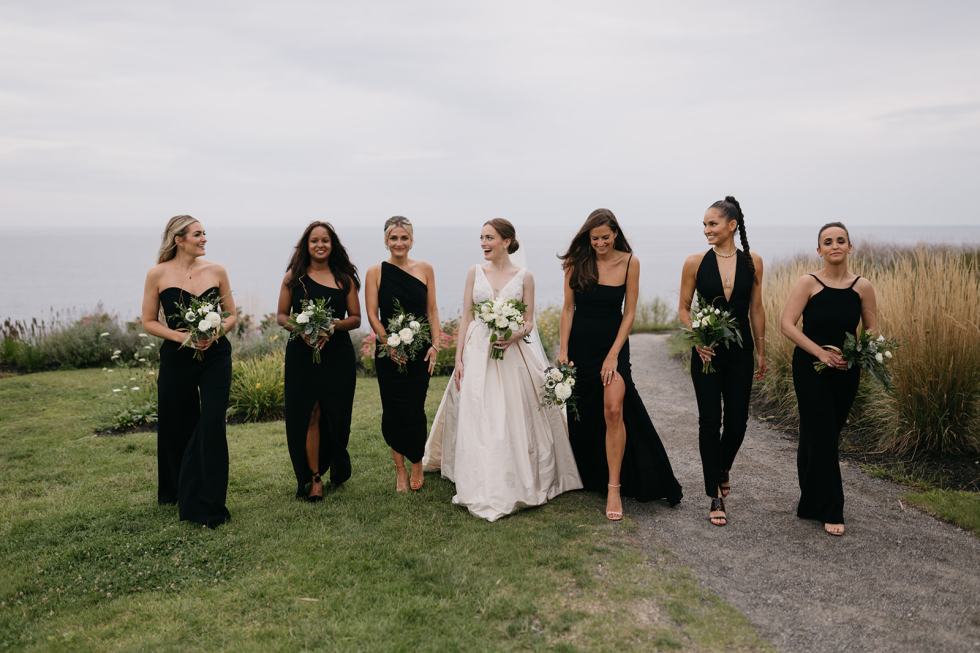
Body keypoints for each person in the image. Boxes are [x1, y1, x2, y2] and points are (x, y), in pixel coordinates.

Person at [423, 219, 582, 521]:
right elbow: (467, 316)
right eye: (482, 237)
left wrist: (512, 336)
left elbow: (529, 322)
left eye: (490, 238)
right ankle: (476, 472)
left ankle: (512, 472)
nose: (483, 243)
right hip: (477, 351)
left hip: (511, 353)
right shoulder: (474, 272)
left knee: (510, 412)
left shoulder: (525, 277)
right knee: (478, 409)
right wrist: (458, 358)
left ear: (507, 241)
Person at [559, 209, 682, 520]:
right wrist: (562, 350)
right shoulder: (576, 262)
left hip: (613, 346)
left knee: (614, 409)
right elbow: (568, 309)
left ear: (615, 233)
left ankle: (614, 487)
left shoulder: (630, 262)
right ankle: (589, 476)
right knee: (586, 410)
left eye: (605, 237)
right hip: (580, 347)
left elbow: (629, 313)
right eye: (594, 238)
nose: (600, 243)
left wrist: (614, 354)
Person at [780, 222, 877, 536]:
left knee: (820, 434)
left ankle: (809, 502)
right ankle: (833, 508)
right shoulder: (808, 283)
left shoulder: (862, 287)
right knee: (822, 433)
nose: (835, 245)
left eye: (840, 240)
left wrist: (858, 353)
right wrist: (820, 353)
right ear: (819, 250)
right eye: (828, 241)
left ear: (850, 247)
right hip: (810, 367)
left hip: (846, 371)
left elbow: (872, 329)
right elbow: (787, 324)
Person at [141, 215, 236, 528]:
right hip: (177, 355)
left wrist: (214, 334)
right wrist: (181, 337)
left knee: (211, 422)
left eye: (204, 233)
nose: (204, 238)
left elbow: (231, 315)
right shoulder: (157, 274)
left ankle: (207, 499)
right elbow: (148, 321)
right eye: (198, 234)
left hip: (215, 355)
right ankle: (175, 489)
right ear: (178, 240)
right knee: (176, 421)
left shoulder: (217, 271)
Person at [678, 196, 766, 527]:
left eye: (712, 224)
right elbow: (683, 309)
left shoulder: (753, 262)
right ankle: (714, 492)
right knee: (709, 420)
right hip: (707, 353)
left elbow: (756, 308)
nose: (706, 230)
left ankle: (723, 466)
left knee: (738, 421)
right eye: (704, 224)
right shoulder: (694, 262)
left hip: (741, 351)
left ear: (731, 225)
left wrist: (762, 351)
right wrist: (698, 339)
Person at [277, 221, 361, 501]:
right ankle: (314, 478)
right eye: (314, 241)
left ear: (332, 244)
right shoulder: (294, 277)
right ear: (306, 245)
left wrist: (331, 326)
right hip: (302, 355)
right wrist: (302, 329)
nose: (320, 245)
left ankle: (337, 463)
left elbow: (355, 318)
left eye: (325, 240)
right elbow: (281, 315)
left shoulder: (344, 278)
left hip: (337, 356)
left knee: (337, 416)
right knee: (309, 413)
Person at [364, 217, 441, 493]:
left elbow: (432, 311)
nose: (399, 243)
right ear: (386, 241)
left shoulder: (426, 269)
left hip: (420, 352)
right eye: (394, 238)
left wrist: (435, 345)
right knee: (393, 411)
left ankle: (416, 461)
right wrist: (389, 344)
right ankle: (400, 469)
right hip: (389, 353)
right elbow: (372, 314)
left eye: (404, 237)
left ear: (412, 240)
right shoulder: (375, 272)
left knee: (415, 410)